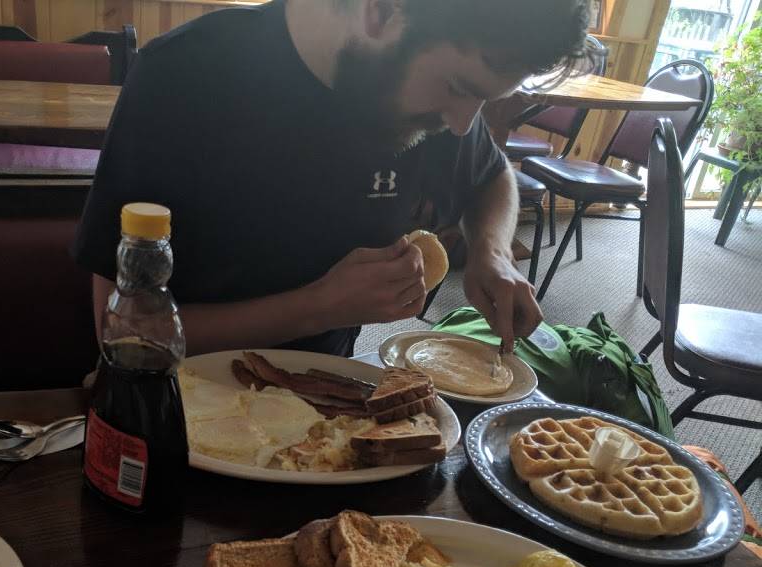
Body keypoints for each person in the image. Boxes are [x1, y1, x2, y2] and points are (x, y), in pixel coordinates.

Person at [74, 0, 594, 356]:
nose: (462, 123)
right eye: (459, 87)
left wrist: (492, 252)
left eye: (483, 100)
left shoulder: (436, 103)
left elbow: (491, 176)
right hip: (177, 405)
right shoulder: (184, 74)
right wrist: (317, 309)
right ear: (381, 11)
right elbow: (125, 332)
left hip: (330, 410)